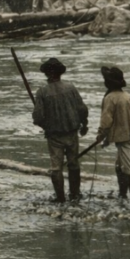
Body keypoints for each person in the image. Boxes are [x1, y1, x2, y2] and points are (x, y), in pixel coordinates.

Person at [32, 57, 89, 203]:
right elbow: (82, 109)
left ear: (46, 74)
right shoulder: (70, 87)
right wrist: (84, 124)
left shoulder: (42, 92)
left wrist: (46, 126)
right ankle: (75, 195)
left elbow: (38, 117)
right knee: (73, 164)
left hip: (54, 136)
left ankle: (60, 198)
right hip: (72, 133)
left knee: (56, 167)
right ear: (60, 73)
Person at [95, 66, 130, 205]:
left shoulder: (110, 98)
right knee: (119, 167)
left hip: (126, 138)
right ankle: (123, 196)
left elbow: (106, 121)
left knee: (129, 170)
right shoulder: (127, 96)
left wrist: (100, 135)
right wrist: (106, 139)